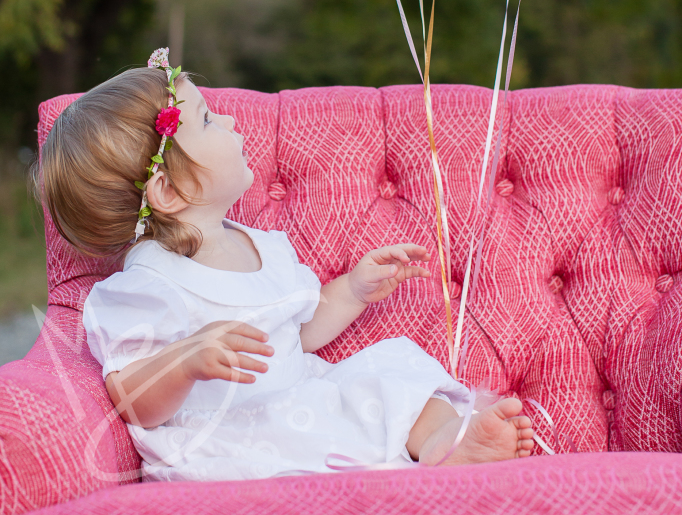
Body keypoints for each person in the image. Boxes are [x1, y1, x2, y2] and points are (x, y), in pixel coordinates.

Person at [38, 49, 534, 483]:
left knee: (394, 377)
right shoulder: (150, 282)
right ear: (169, 191)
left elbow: (299, 332)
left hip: (304, 396)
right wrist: (185, 360)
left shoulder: (261, 246)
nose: (231, 123)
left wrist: (354, 289)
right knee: (318, 434)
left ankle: (450, 446)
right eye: (209, 121)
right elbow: (129, 395)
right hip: (236, 435)